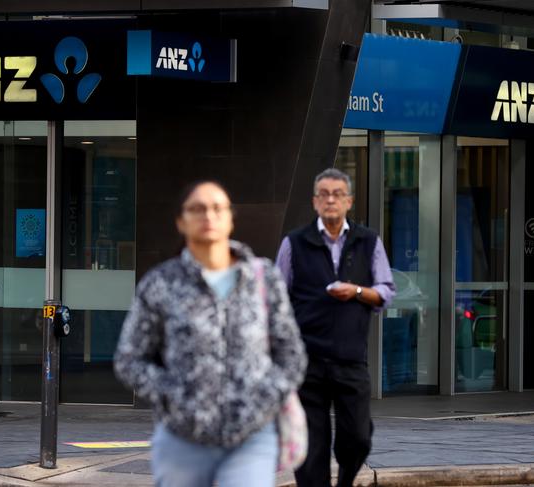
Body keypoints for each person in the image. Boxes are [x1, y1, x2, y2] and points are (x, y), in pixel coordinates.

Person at [115, 180, 307, 487]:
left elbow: (291, 353)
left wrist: (264, 397)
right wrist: (173, 395)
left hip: (251, 436)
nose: (208, 215)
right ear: (181, 221)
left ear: (231, 218)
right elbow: (129, 358)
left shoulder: (263, 278)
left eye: (218, 208)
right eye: (197, 208)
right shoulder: (161, 283)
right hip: (182, 439)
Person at [276, 168, 395, 487]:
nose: (331, 199)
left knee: (357, 437)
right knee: (310, 449)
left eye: (338, 194)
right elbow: (276, 299)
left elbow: (385, 291)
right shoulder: (295, 243)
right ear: (315, 201)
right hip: (307, 362)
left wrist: (356, 291)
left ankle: (344, 481)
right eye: (324, 194)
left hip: (350, 359)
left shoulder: (368, 241)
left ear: (349, 201)